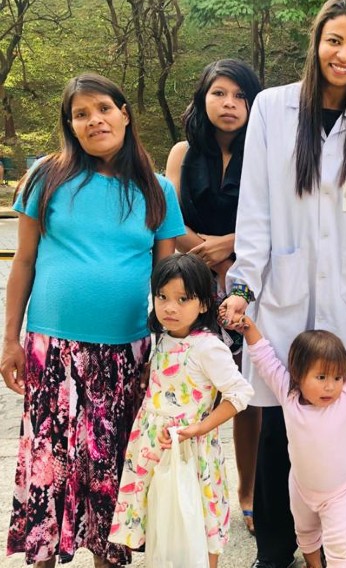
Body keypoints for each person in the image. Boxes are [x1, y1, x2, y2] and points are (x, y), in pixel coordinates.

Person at [217, 0, 346, 568]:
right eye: (335, 40)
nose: (344, 54)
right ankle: (275, 551)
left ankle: (329, 546)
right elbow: (255, 209)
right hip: (281, 290)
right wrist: (242, 288)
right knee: (278, 429)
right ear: (316, 43)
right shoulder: (272, 108)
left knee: (328, 427)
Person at [1, 73, 185, 567]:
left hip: (126, 351)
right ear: (70, 126)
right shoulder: (47, 176)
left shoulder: (156, 189)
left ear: (125, 113)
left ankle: (108, 556)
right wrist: (10, 341)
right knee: (49, 461)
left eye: (103, 108)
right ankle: (42, 556)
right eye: (80, 114)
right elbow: (23, 262)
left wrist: (163, 356)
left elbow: (165, 277)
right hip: (51, 347)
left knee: (111, 464)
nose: (94, 120)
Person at [165, 58, 263, 535]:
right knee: (190, 389)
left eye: (240, 96)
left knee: (248, 392)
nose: (230, 104)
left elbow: (273, 219)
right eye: (220, 93)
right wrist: (208, 251)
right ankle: (189, 490)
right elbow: (169, 221)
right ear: (203, 98)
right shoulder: (183, 152)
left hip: (248, 285)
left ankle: (248, 489)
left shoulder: (266, 152)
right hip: (194, 287)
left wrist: (232, 248)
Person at [109, 253, 254, 566]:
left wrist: (199, 428)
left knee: (199, 517)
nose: (170, 307)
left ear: (203, 304)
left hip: (191, 448)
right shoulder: (162, 337)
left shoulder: (208, 346)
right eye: (162, 297)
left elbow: (240, 393)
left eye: (182, 299)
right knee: (163, 518)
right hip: (153, 445)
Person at [230, 315, 346, 568]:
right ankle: (313, 565)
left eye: (337, 377)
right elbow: (265, 359)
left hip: (339, 493)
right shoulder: (288, 395)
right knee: (306, 535)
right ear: (298, 375)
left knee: (338, 548)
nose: (330, 387)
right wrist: (250, 330)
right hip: (300, 488)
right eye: (321, 377)